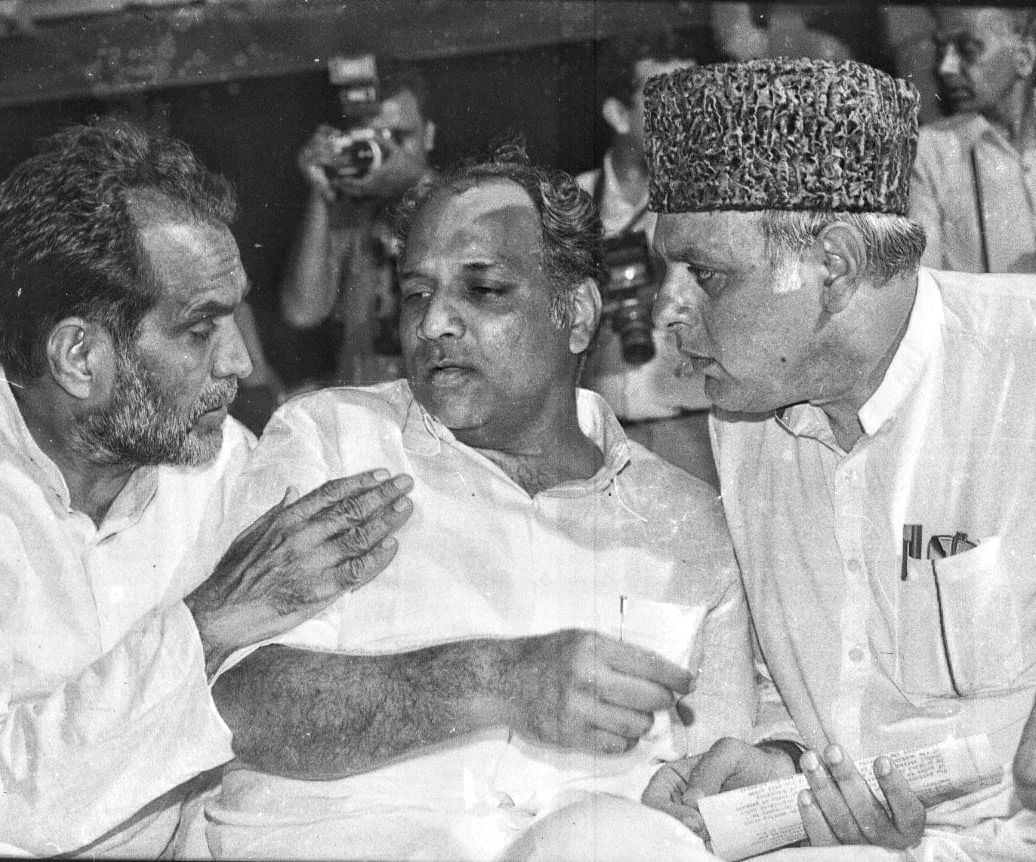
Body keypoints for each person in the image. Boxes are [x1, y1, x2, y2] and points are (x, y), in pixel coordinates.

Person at [0, 122, 413, 855]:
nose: (238, 362)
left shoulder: (222, 458)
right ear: (78, 356)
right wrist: (210, 621)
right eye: (201, 330)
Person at [192, 148, 756, 861]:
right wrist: (496, 679)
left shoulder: (684, 523)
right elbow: (240, 703)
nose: (433, 325)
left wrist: (697, 799)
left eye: (482, 289)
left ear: (578, 315)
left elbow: (718, 769)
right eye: (417, 294)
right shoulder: (333, 440)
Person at [640, 58, 1036, 858]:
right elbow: (816, 689)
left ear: (836, 265)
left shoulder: (1020, 373)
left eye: (705, 275)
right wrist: (786, 765)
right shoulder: (748, 415)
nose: (667, 310)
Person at [577, 29, 716, 486]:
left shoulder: (714, 205)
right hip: (599, 438)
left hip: (694, 430)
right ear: (618, 114)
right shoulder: (570, 203)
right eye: (667, 102)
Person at [279, 57, 436, 385]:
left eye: (398, 137)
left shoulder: (455, 203)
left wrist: (417, 180)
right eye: (373, 138)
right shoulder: (349, 216)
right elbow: (302, 312)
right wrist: (321, 192)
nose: (385, 151)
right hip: (366, 397)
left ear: (429, 135)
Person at [911, 7, 1036, 273]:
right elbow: (924, 281)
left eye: (967, 50)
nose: (945, 68)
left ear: (1024, 59)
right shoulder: (927, 153)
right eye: (941, 50)